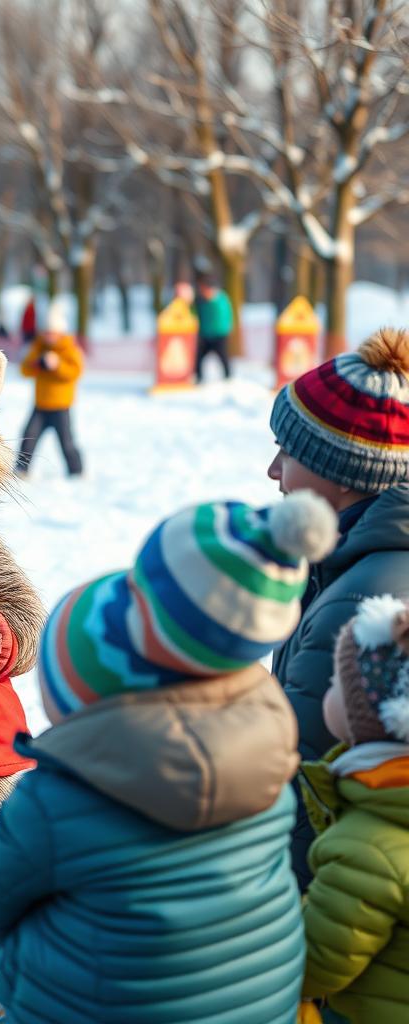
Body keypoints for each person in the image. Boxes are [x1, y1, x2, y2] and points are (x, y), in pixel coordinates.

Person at [0, 491, 338, 1024]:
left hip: (106, 1008)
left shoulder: (68, 794)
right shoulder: (268, 745)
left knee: (17, 928)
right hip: (259, 1007)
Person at [269, 327, 409, 888]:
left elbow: (302, 787)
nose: (274, 471)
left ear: (344, 474)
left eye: (290, 454)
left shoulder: (359, 600)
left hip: (329, 900)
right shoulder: (346, 562)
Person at [299, 594, 409, 1024]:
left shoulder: (368, 845)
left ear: (373, 718)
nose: (327, 690)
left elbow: (312, 966)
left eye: (336, 685)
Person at [15, 307, 84, 478]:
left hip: (61, 407)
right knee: (28, 437)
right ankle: (22, 469)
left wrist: (57, 365)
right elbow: (24, 370)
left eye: (52, 333)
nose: (48, 336)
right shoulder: (38, 347)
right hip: (40, 405)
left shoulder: (70, 349)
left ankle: (77, 471)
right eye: (46, 332)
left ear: (60, 333)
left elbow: (74, 373)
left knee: (66, 442)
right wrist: (37, 363)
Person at [193, 272, 234, 382]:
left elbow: (226, 316)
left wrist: (226, 329)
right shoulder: (201, 301)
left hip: (219, 334)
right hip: (205, 334)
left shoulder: (220, 300)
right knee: (199, 357)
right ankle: (198, 377)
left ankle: (228, 377)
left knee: (223, 357)